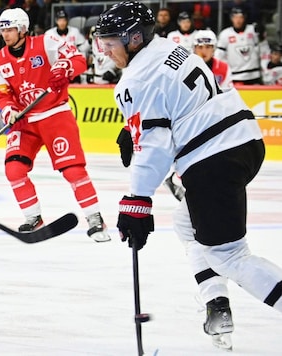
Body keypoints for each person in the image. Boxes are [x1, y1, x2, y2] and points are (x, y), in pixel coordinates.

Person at [96, 1, 282, 351]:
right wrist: (133, 126)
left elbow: (155, 145)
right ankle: (216, 303)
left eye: (111, 41)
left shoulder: (137, 78)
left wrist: (137, 200)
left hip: (215, 158)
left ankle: (220, 300)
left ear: (134, 39)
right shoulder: (169, 48)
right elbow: (172, 104)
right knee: (186, 223)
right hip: (244, 141)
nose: (105, 50)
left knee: (229, 257)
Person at [0, 8, 110, 242]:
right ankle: (33, 217)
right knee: (14, 169)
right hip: (25, 121)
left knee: (73, 170)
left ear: (23, 29)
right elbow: (2, 93)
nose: (5, 34)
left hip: (55, 114)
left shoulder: (47, 41)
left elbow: (78, 60)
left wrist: (64, 68)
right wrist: (9, 110)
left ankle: (95, 217)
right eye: (2, 30)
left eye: (10, 29)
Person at [216, 7, 262, 85]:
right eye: (235, 17)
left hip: (254, 75)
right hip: (235, 76)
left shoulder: (253, 30)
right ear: (231, 18)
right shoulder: (225, 34)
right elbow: (219, 56)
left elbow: (262, 49)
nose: (238, 20)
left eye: (241, 17)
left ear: (245, 18)